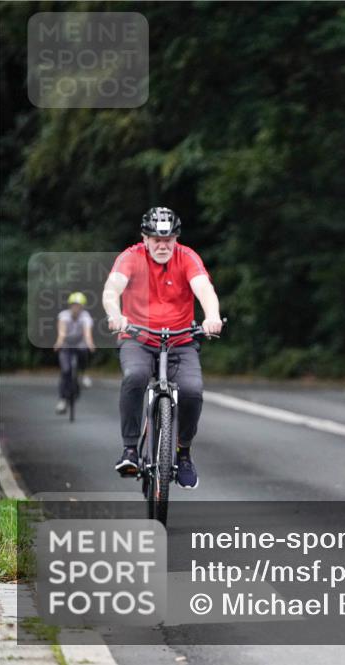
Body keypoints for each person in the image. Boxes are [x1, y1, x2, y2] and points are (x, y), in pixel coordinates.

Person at [102, 207, 223, 489]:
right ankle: (130, 449)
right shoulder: (131, 257)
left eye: (168, 240)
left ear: (176, 239)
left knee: (192, 391)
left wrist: (212, 316)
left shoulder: (187, 257)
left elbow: (204, 289)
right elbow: (111, 290)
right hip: (138, 338)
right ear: (144, 238)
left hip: (181, 340)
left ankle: (184, 453)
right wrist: (115, 315)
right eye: (156, 239)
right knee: (134, 376)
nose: (162, 245)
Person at [53, 291, 96, 414]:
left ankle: (84, 374)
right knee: (65, 371)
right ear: (70, 305)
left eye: (78, 305)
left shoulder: (85, 317)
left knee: (84, 352)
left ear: (82, 307)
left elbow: (87, 333)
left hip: (79, 344)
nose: (76, 308)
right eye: (74, 305)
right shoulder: (63, 316)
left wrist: (90, 343)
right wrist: (59, 343)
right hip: (66, 345)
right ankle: (62, 400)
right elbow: (61, 333)